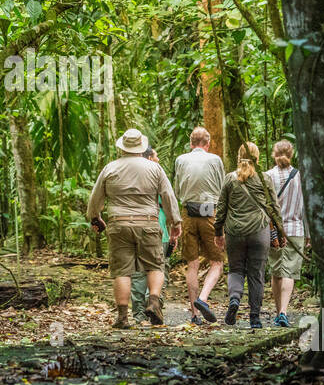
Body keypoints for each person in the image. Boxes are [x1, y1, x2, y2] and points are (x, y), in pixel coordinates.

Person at [88, 129, 182, 328]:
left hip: (118, 223)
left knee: (122, 270)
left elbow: (95, 198)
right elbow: (168, 196)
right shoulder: (154, 169)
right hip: (148, 223)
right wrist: (176, 223)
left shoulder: (110, 168)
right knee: (155, 265)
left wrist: (96, 218)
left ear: (122, 146)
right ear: (141, 147)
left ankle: (122, 318)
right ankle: (154, 303)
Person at [213, 142, 279, 328]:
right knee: (256, 274)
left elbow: (221, 210)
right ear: (257, 158)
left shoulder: (229, 179)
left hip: (234, 233)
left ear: (238, 157)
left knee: (236, 270)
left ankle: (234, 300)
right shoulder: (265, 179)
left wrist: (218, 232)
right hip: (259, 233)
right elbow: (274, 208)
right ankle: (255, 318)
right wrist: (280, 233)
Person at [173, 126, 226, 324]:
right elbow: (222, 189)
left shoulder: (181, 160)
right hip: (209, 211)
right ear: (208, 144)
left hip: (188, 212)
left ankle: (195, 314)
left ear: (191, 143)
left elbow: (178, 189)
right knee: (217, 262)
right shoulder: (215, 160)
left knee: (192, 264)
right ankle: (203, 298)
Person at [264, 139, 307, 328]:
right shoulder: (300, 177)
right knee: (289, 270)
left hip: (273, 231)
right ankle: (283, 312)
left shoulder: (267, 176)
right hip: (295, 229)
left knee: (276, 270)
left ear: (274, 154)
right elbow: (305, 207)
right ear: (292, 154)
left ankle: (277, 311)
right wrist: (309, 233)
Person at [130, 147, 172, 323]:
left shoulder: (130, 175)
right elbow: (168, 200)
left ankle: (139, 315)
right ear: (148, 157)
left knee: (139, 272)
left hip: (134, 228)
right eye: (156, 156)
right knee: (159, 270)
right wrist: (175, 226)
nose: (158, 160)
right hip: (157, 230)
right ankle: (154, 305)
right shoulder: (156, 175)